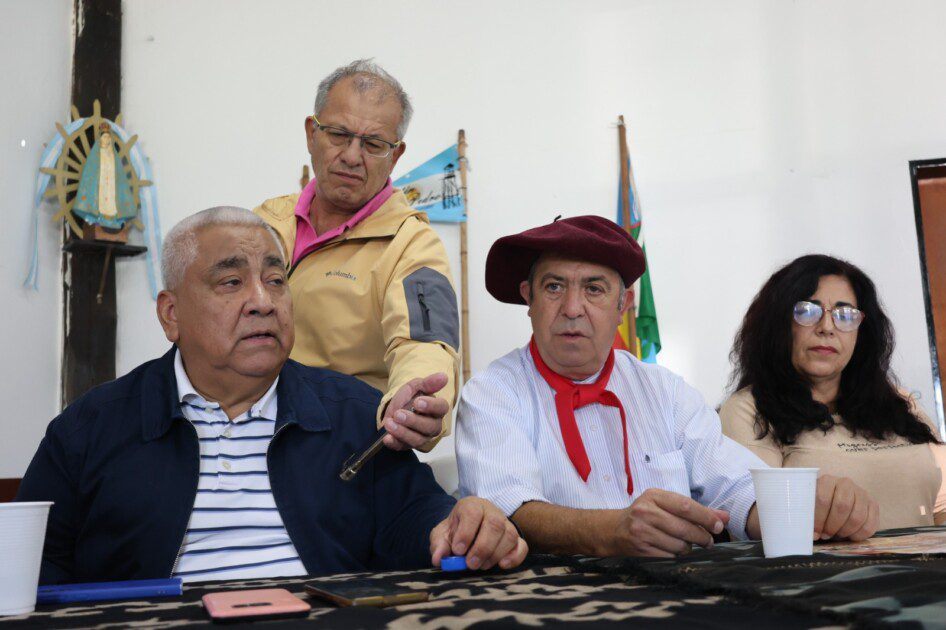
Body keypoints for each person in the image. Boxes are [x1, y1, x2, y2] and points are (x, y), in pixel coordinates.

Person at [16, 207, 526, 584]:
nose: (262, 301)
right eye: (231, 282)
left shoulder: (351, 414)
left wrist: (457, 525)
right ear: (171, 314)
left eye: (276, 280)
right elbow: (35, 568)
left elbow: (415, 518)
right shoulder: (91, 428)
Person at [456, 216, 878, 558]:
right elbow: (509, 509)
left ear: (623, 305)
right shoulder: (491, 393)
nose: (572, 308)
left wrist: (807, 507)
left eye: (594, 289)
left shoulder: (665, 391)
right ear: (528, 299)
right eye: (554, 287)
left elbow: (734, 488)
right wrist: (612, 531)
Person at [254, 59, 459, 452]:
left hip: (338, 445)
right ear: (311, 133)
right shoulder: (264, 223)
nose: (351, 156)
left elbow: (425, 343)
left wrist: (416, 395)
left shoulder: (414, 246)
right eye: (338, 135)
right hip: (239, 434)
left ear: (395, 156)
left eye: (373, 144)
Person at [720, 254, 946, 531]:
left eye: (845, 315)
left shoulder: (899, 403)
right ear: (778, 324)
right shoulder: (749, 410)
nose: (827, 328)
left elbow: (941, 507)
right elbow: (763, 523)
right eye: (807, 311)